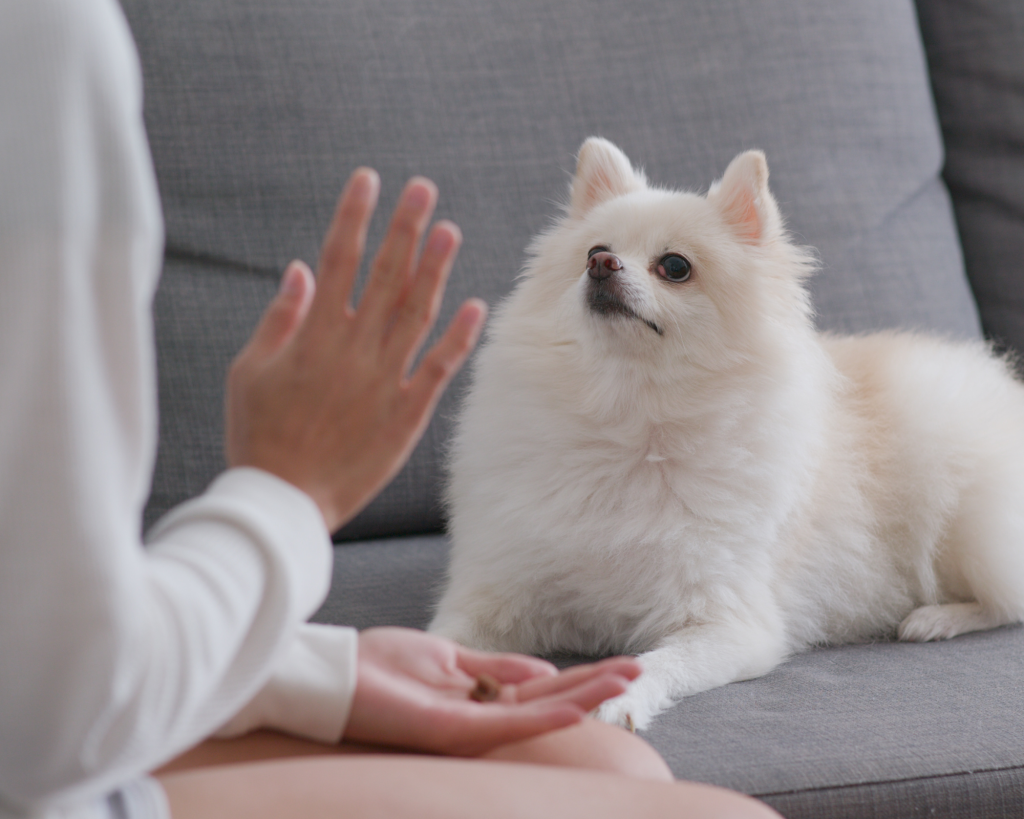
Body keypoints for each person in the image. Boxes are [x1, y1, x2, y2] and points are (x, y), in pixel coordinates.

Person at [0, 1, 778, 817]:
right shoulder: (44, 38)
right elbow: (55, 709)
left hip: (42, 710)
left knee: (609, 761)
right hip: (50, 737)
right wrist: (279, 493)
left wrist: (321, 675)